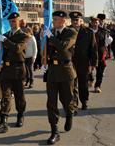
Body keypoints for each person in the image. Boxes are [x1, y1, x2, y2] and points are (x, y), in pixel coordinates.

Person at [43, 11, 77, 145]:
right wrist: (43, 62)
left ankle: (69, 113)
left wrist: (50, 36)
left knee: (67, 99)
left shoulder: (71, 32)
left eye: (56, 19)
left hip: (66, 71)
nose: (53, 21)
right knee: (51, 102)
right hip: (52, 71)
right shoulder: (51, 33)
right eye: (53, 19)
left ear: (63, 21)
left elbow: (63, 47)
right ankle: (54, 130)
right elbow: (46, 50)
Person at [0, 12, 29, 133]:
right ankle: (3, 121)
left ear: (19, 21)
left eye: (14, 21)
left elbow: (18, 49)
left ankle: (20, 115)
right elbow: (0, 50)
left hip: (18, 69)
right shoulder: (5, 34)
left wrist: (6, 41)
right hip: (6, 69)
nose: (12, 23)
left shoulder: (24, 35)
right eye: (10, 21)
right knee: (5, 96)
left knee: (19, 95)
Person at [69, 11, 97, 112]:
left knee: (83, 84)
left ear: (81, 21)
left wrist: (93, 63)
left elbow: (93, 49)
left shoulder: (88, 32)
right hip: (70, 63)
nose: (75, 22)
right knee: (72, 85)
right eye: (73, 20)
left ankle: (84, 101)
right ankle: (74, 104)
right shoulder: (67, 31)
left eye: (77, 20)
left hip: (84, 62)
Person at [89, 14, 112, 93]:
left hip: (100, 54)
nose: (95, 24)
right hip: (90, 54)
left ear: (99, 23)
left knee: (100, 72)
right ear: (91, 23)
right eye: (94, 22)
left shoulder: (103, 31)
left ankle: (97, 86)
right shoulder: (87, 31)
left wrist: (107, 38)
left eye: (97, 22)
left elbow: (108, 42)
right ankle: (91, 79)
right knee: (89, 70)